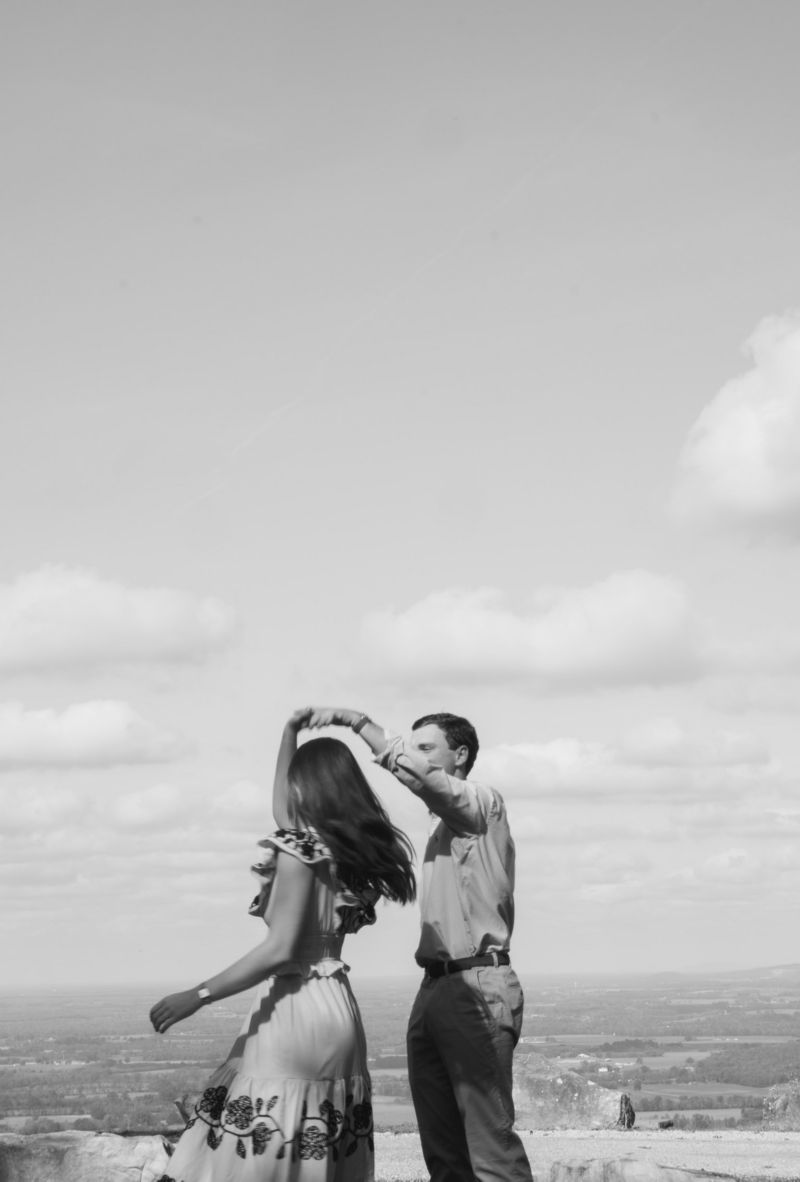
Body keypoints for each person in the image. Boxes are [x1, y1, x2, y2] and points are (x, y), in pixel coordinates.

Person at [149, 708, 416, 1182]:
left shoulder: (299, 850)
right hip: (337, 1007)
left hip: (294, 1011)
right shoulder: (351, 855)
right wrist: (289, 732)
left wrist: (199, 995)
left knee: (260, 1153)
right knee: (317, 1145)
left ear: (306, 787)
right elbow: (282, 810)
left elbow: (280, 950)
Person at [305, 707, 533, 1182]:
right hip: (434, 987)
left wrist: (358, 724)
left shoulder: (484, 805)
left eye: (426, 749)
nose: (416, 757)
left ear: (460, 755)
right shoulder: (438, 830)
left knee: (491, 1151)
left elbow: (424, 779)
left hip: (476, 983)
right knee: (444, 1154)